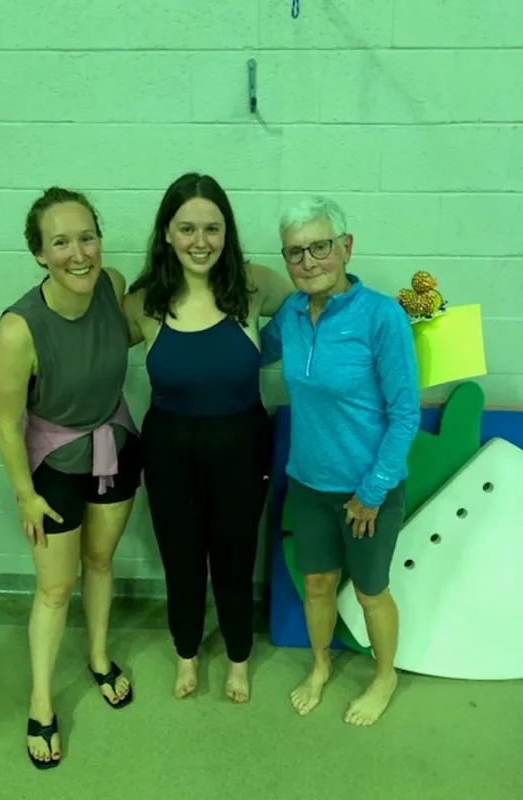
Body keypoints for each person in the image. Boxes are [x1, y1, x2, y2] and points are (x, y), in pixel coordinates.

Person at [0, 187, 141, 769]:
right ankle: (42, 700)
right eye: (60, 242)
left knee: (100, 563)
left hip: (116, 445)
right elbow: (6, 424)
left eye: (87, 237)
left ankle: (99, 658)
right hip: (53, 466)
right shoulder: (18, 328)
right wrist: (24, 496)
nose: (78, 253)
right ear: (38, 254)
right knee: (55, 588)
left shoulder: (113, 284)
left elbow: (124, 333)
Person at [123, 173, 293, 703]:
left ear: (227, 232)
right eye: (188, 228)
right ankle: (187, 653)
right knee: (182, 555)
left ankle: (239, 658)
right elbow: (90, 343)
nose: (201, 241)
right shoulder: (145, 302)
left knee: (235, 555)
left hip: (241, 441)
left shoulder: (253, 285)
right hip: (170, 445)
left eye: (212, 228)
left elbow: (312, 303)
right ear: (168, 234)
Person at [260, 196, 420, 726]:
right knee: (317, 584)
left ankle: (384, 676)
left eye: (320, 247)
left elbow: (404, 414)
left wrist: (372, 492)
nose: (308, 262)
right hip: (307, 484)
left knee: (372, 593)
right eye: (295, 253)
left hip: (368, 492)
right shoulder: (289, 315)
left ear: (346, 248)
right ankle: (321, 665)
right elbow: (249, 350)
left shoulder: (381, 317)